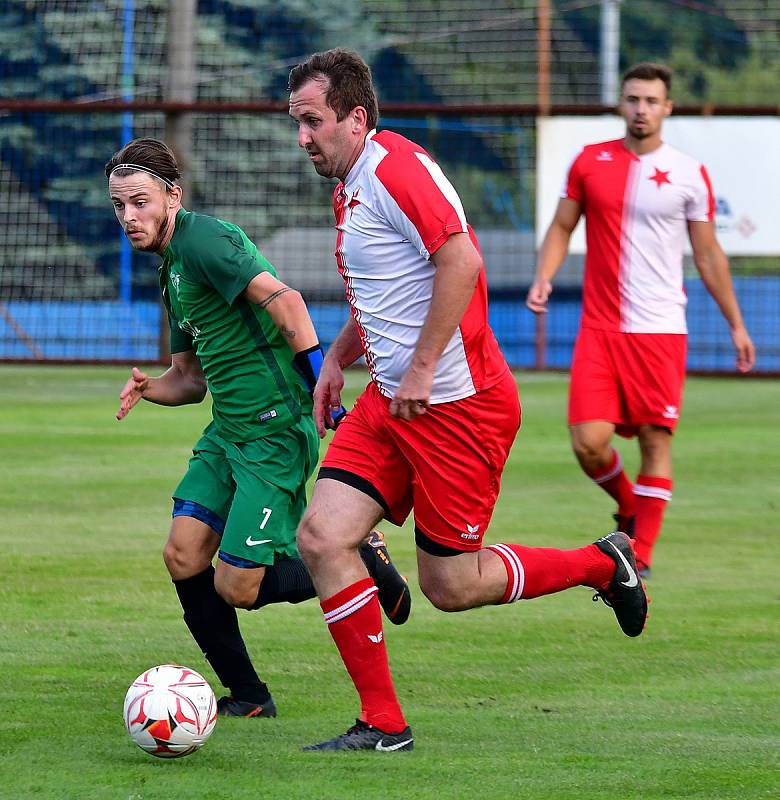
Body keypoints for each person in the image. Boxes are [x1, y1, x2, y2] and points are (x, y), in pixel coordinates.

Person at [288, 48, 649, 753]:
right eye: (296, 122)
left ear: (355, 120)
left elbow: (461, 259)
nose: (303, 137)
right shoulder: (351, 180)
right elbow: (389, 293)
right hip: (392, 404)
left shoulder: (396, 170)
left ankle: (603, 563)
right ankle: (383, 726)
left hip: (457, 408)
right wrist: (337, 357)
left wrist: (422, 366)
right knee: (322, 536)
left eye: (313, 122)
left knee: (452, 587)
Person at [106, 137, 411, 719]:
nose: (129, 217)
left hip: (274, 432)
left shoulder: (205, 240)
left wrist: (323, 379)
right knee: (183, 555)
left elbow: (288, 303)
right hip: (228, 432)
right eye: (119, 205)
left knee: (236, 586)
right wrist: (150, 391)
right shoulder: (172, 268)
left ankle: (361, 558)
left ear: (173, 196)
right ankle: (249, 697)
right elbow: (189, 379)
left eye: (139, 202)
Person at [528, 62, 756, 578]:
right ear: (621, 103)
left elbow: (709, 255)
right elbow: (563, 226)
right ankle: (629, 504)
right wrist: (545, 275)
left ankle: (641, 552)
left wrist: (736, 325)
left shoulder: (688, 172)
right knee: (588, 442)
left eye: (652, 101)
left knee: (656, 440)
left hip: (660, 330)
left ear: (667, 107)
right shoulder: (590, 162)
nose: (641, 109)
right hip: (600, 329)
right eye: (633, 99)